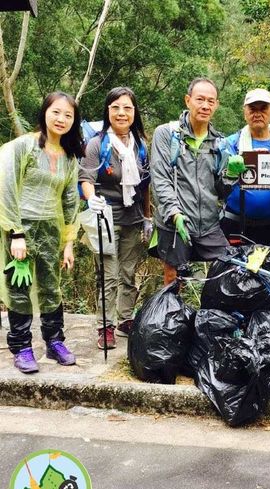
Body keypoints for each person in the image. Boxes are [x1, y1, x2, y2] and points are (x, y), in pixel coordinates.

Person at [0, 91, 84, 373]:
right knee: (18, 287)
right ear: (45, 113)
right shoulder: (22, 147)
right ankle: (22, 346)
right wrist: (16, 232)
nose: (61, 119)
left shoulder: (70, 158)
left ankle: (54, 342)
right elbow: (7, 187)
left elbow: (70, 201)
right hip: (21, 228)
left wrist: (69, 242)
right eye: (56, 112)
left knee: (51, 286)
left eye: (68, 115)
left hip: (51, 229)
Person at [79, 87, 152, 349]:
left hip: (133, 218)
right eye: (115, 107)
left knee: (129, 273)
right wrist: (91, 199)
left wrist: (147, 217)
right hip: (106, 218)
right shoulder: (97, 144)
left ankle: (124, 319)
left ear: (135, 112)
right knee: (108, 276)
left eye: (127, 108)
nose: (121, 113)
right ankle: (105, 326)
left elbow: (145, 184)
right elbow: (86, 178)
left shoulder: (141, 145)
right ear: (108, 111)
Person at [151, 77, 230, 285]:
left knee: (226, 268)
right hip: (174, 221)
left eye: (211, 101)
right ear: (188, 100)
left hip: (209, 223)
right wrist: (174, 213)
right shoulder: (167, 134)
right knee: (173, 277)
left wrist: (231, 175)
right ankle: (171, 316)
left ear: (216, 105)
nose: (205, 106)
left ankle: (210, 316)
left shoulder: (219, 142)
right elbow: (160, 178)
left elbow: (222, 191)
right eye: (200, 99)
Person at [220, 88, 270, 256]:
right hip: (237, 225)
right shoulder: (230, 144)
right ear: (245, 112)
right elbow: (218, 187)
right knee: (235, 277)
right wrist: (229, 174)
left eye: (263, 108)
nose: (258, 113)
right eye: (253, 109)